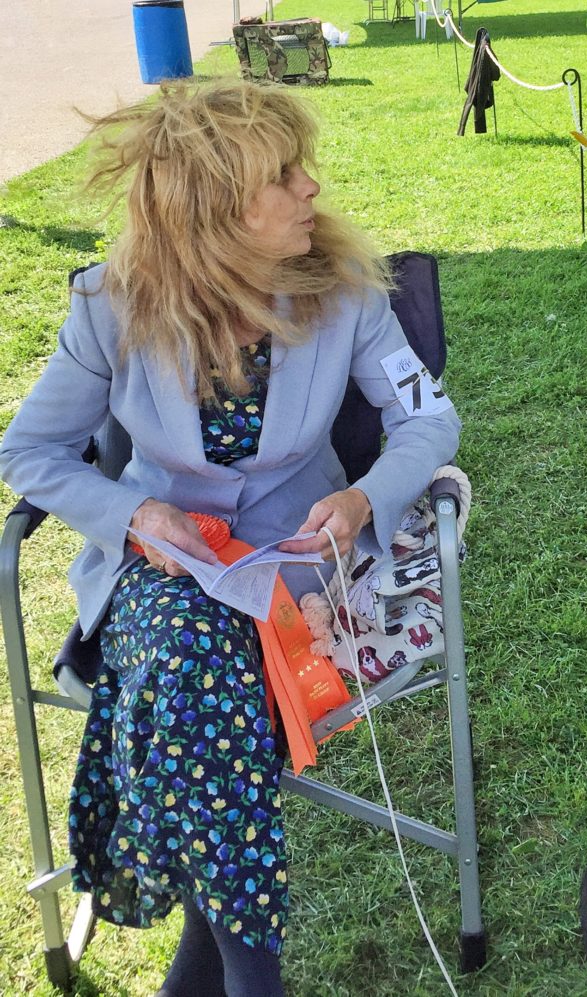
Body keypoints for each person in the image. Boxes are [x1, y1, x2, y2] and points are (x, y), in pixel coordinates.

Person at [0, 80, 461, 994]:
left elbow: (428, 423)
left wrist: (366, 499)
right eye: (283, 177)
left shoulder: (346, 294)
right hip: (166, 569)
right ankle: (253, 982)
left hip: (302, 569)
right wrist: (130, 515)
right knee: (190, 652)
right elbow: (31, 449)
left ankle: (208, 972)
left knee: (192, 685)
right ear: (211, 211)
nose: (311, 191)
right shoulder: (110, 305)